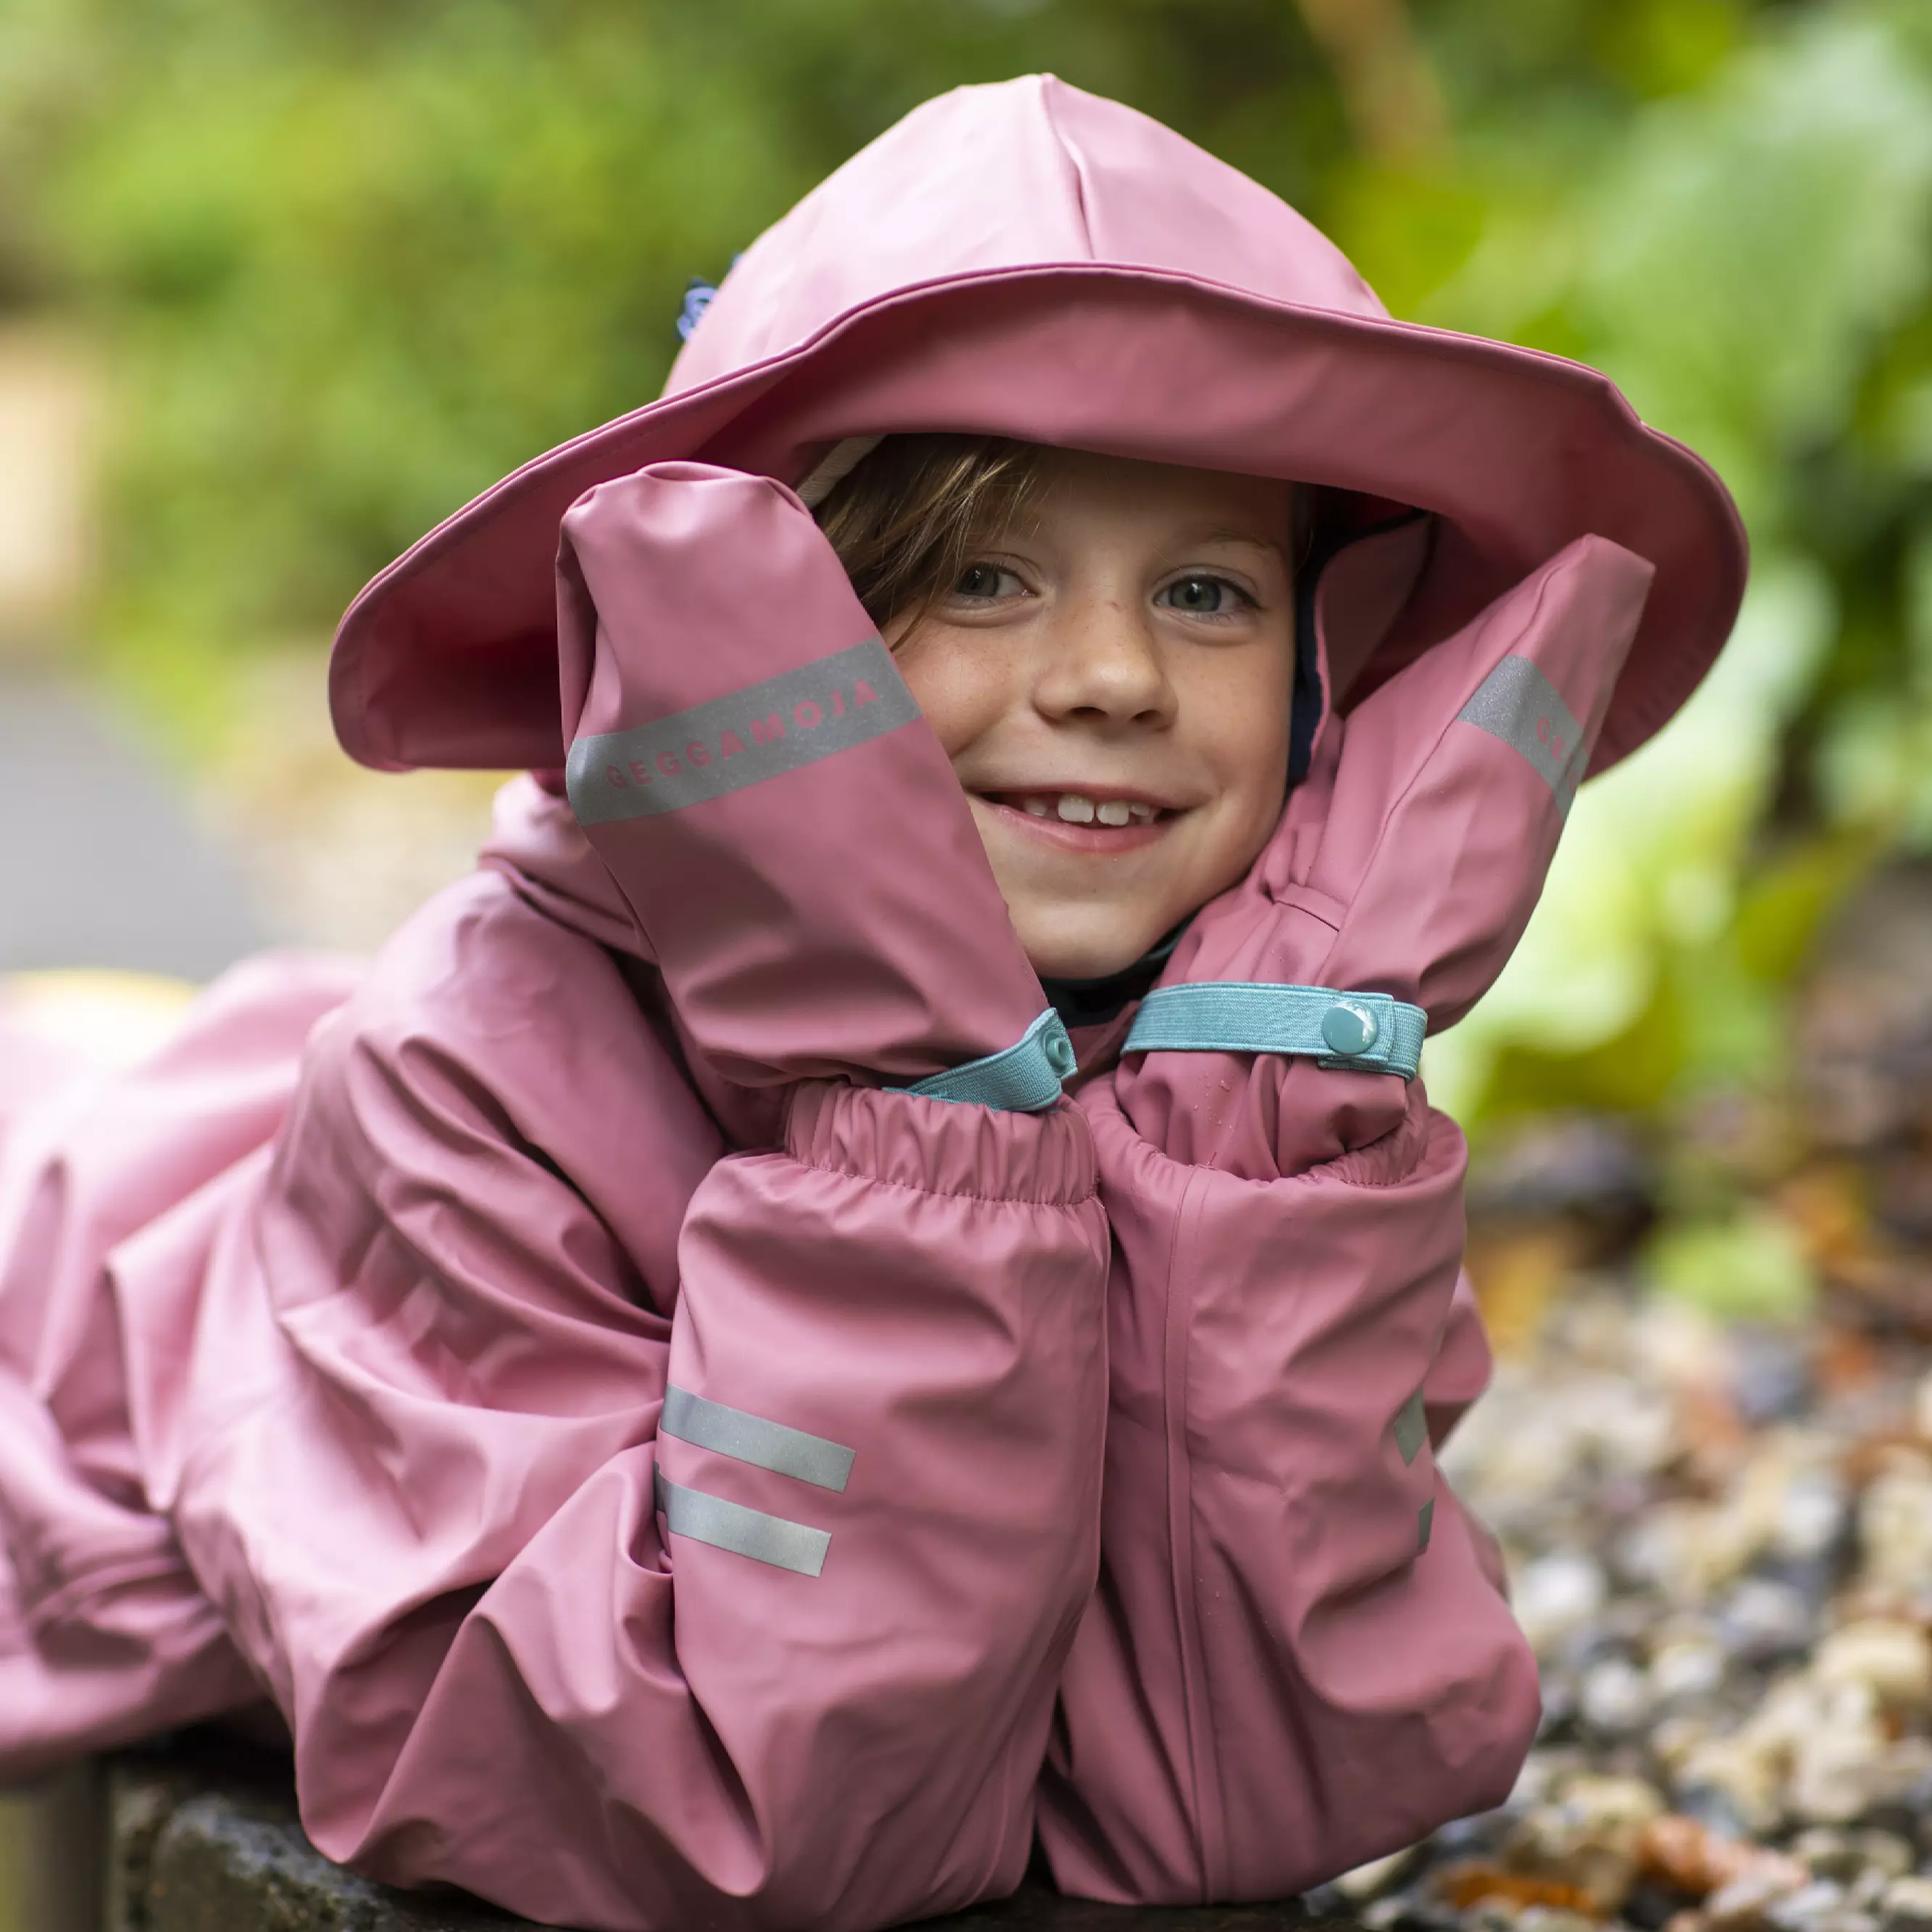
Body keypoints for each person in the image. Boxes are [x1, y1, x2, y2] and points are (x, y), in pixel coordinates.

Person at [0, 75, 1744, 1932]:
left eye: (1212, 590)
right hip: (109, 1262)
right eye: (984, 573)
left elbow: (1258, 1788)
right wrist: (920, 1124)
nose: (1110, 674)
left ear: (1327, 674)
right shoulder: (464, 1088)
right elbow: (708, 1820)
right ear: (761, 635)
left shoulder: (1253, 1101)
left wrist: (1263, 1122)